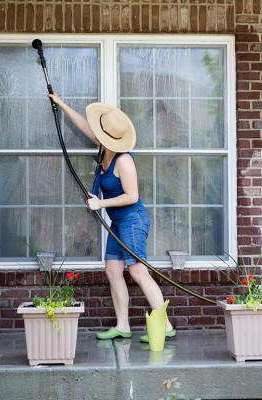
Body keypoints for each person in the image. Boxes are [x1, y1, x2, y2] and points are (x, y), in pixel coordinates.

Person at [48, 93, 176, 342]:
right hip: (118, 222)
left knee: (138, 272)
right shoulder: (104, 147)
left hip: (132, 219)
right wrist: (60, 103)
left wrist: (100, 203)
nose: (95, 133)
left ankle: (166, 325)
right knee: (113, 271)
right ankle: (122, 325)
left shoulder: (124, 159)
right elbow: (83, 126)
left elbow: (131, 195)